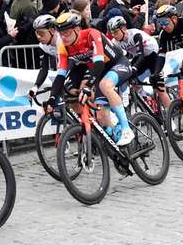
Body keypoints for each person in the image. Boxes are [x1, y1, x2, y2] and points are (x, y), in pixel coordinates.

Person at [48, 12, 135, 146]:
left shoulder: (91, 34)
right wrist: (52, 98)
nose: (63, 37)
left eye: (67, 33)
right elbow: (60, 75)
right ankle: (112, 136)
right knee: (101, 116)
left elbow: (99, 63)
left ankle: (126, 129)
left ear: (77, 29)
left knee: (105, 85)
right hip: (98, 70)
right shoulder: (62, 45)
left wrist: (88, 86)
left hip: (117, 63)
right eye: (60, 33)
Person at [106, 15, 169, 110]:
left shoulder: (135, 35)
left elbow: (141, 55)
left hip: (153, 55)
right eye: (112, 33)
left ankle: (170, 119)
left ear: (123, 28)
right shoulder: (115, 42)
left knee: (159, 89)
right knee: (131, 80)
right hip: (140, 57)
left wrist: (134, 68)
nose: (114, 35)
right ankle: (146, 99)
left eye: (116, 32)